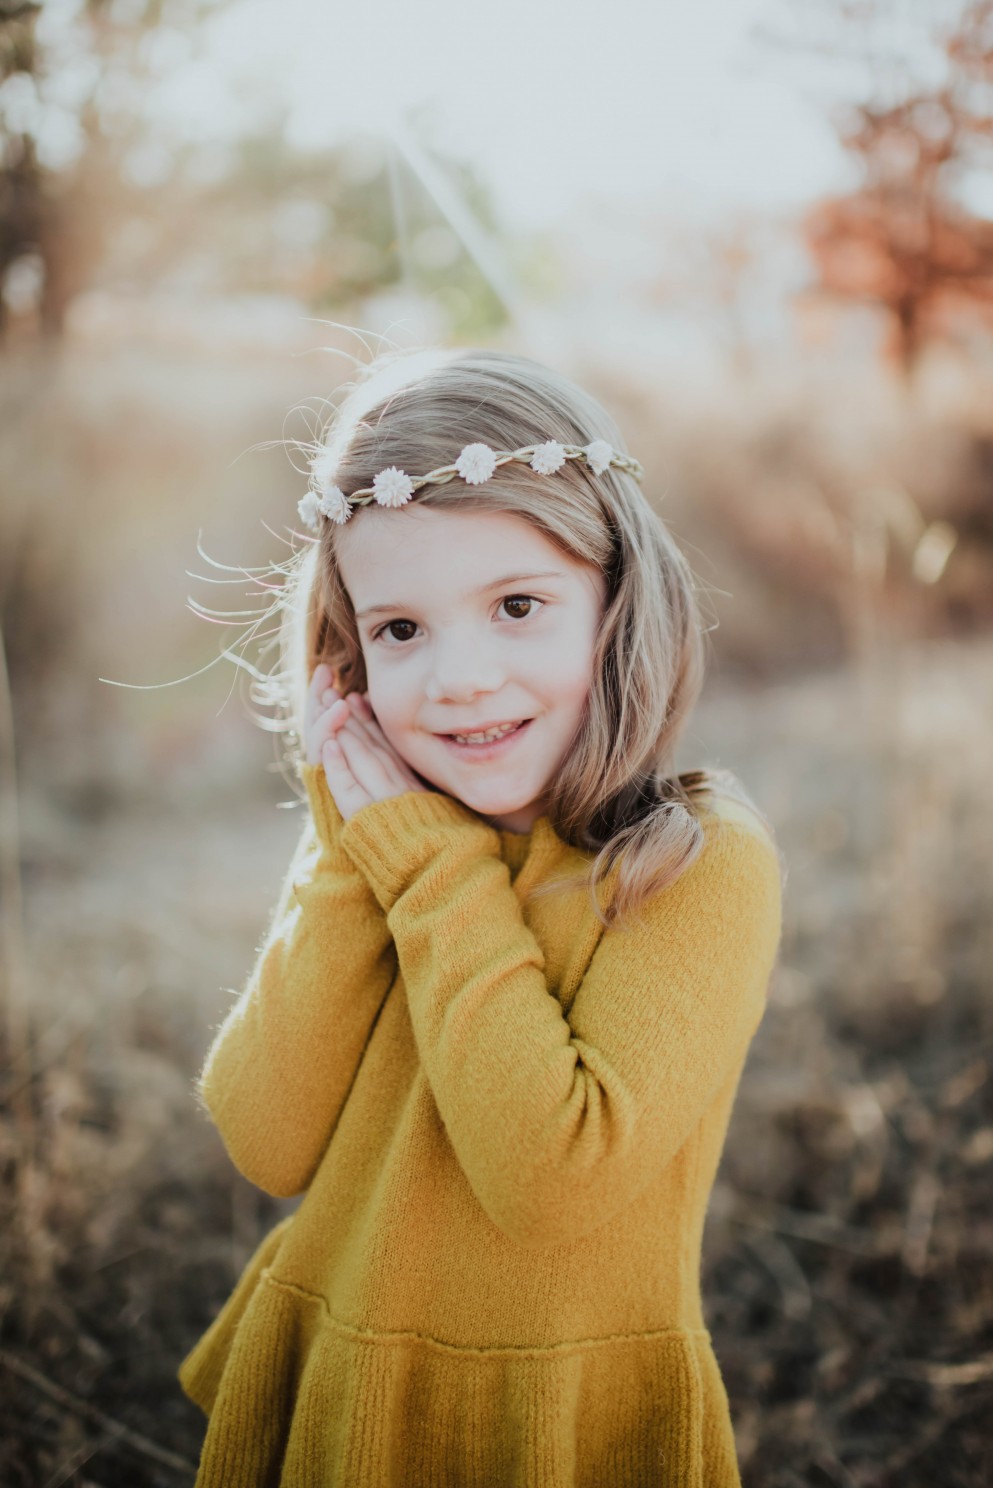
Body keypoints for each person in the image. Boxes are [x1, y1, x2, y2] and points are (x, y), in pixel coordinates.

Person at [178, 346, 783, 1487]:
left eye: (516, 606)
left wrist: (424, 867)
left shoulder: (688, 863)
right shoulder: (390, 835)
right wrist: (356, 847)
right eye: (400, 630)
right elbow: (265, 1136)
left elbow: (550, 1180)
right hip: (346, 1386)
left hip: (553, 1419)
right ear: (349, 658)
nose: (458, 678)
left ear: (617, 602)